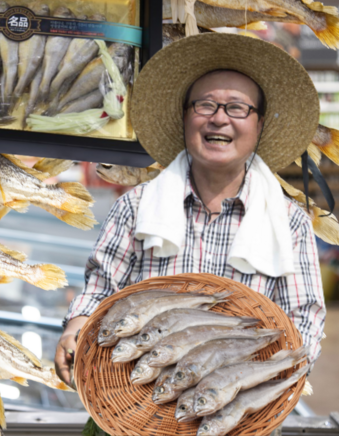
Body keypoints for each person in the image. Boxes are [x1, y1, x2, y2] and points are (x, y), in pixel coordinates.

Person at [54, 33, 326, 387]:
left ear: (258, 126)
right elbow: (103, 287)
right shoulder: (136, 207)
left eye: (237, 107)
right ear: (185, 118)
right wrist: (77, 324)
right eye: (205, 105)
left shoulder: (289, 222)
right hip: (140, 401)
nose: (219, 119)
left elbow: (304, 318)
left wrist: (268, 378)